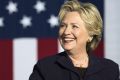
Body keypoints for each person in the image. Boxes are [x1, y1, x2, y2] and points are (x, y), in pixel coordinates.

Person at [29, 0, 120, 80]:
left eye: (74, 26)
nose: (66, 32)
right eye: (63, 26)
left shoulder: (110, 69)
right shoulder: (45, 67)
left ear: (91, 35)